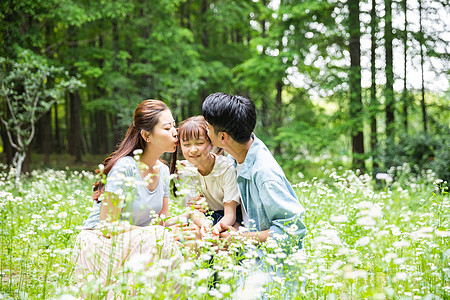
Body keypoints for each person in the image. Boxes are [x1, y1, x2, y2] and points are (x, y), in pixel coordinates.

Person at [73, 100, 185, 299]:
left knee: (177, 240)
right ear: (146, 135)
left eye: (174, 126)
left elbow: (160, 222)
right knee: (159, 238)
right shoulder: (125, 167)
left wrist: (186, 218)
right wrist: (153, 232)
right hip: (101, 244)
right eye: (167, 128)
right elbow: (107, 226)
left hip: (140, 242)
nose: (175, 132)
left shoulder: (163, 170)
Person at [202, 92, 307, 297]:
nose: (205, 130)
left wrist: (239, 238)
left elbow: (292, 232)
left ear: (223, 137)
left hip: (275, 266)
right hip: (251, 254)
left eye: (208, 126)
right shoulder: (236, 157)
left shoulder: (264, 173)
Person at [174, 115, 243, 235]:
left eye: (199, 143)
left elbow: (230, 214)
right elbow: (195, 210)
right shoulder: (186, 170)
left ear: (211, 144)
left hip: (229, 217)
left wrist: (214, 230)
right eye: (186, 145)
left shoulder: (226, 168)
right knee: (192, 234)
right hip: (205, 216)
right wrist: (205, 224)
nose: (193, 150)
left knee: (223, 238)